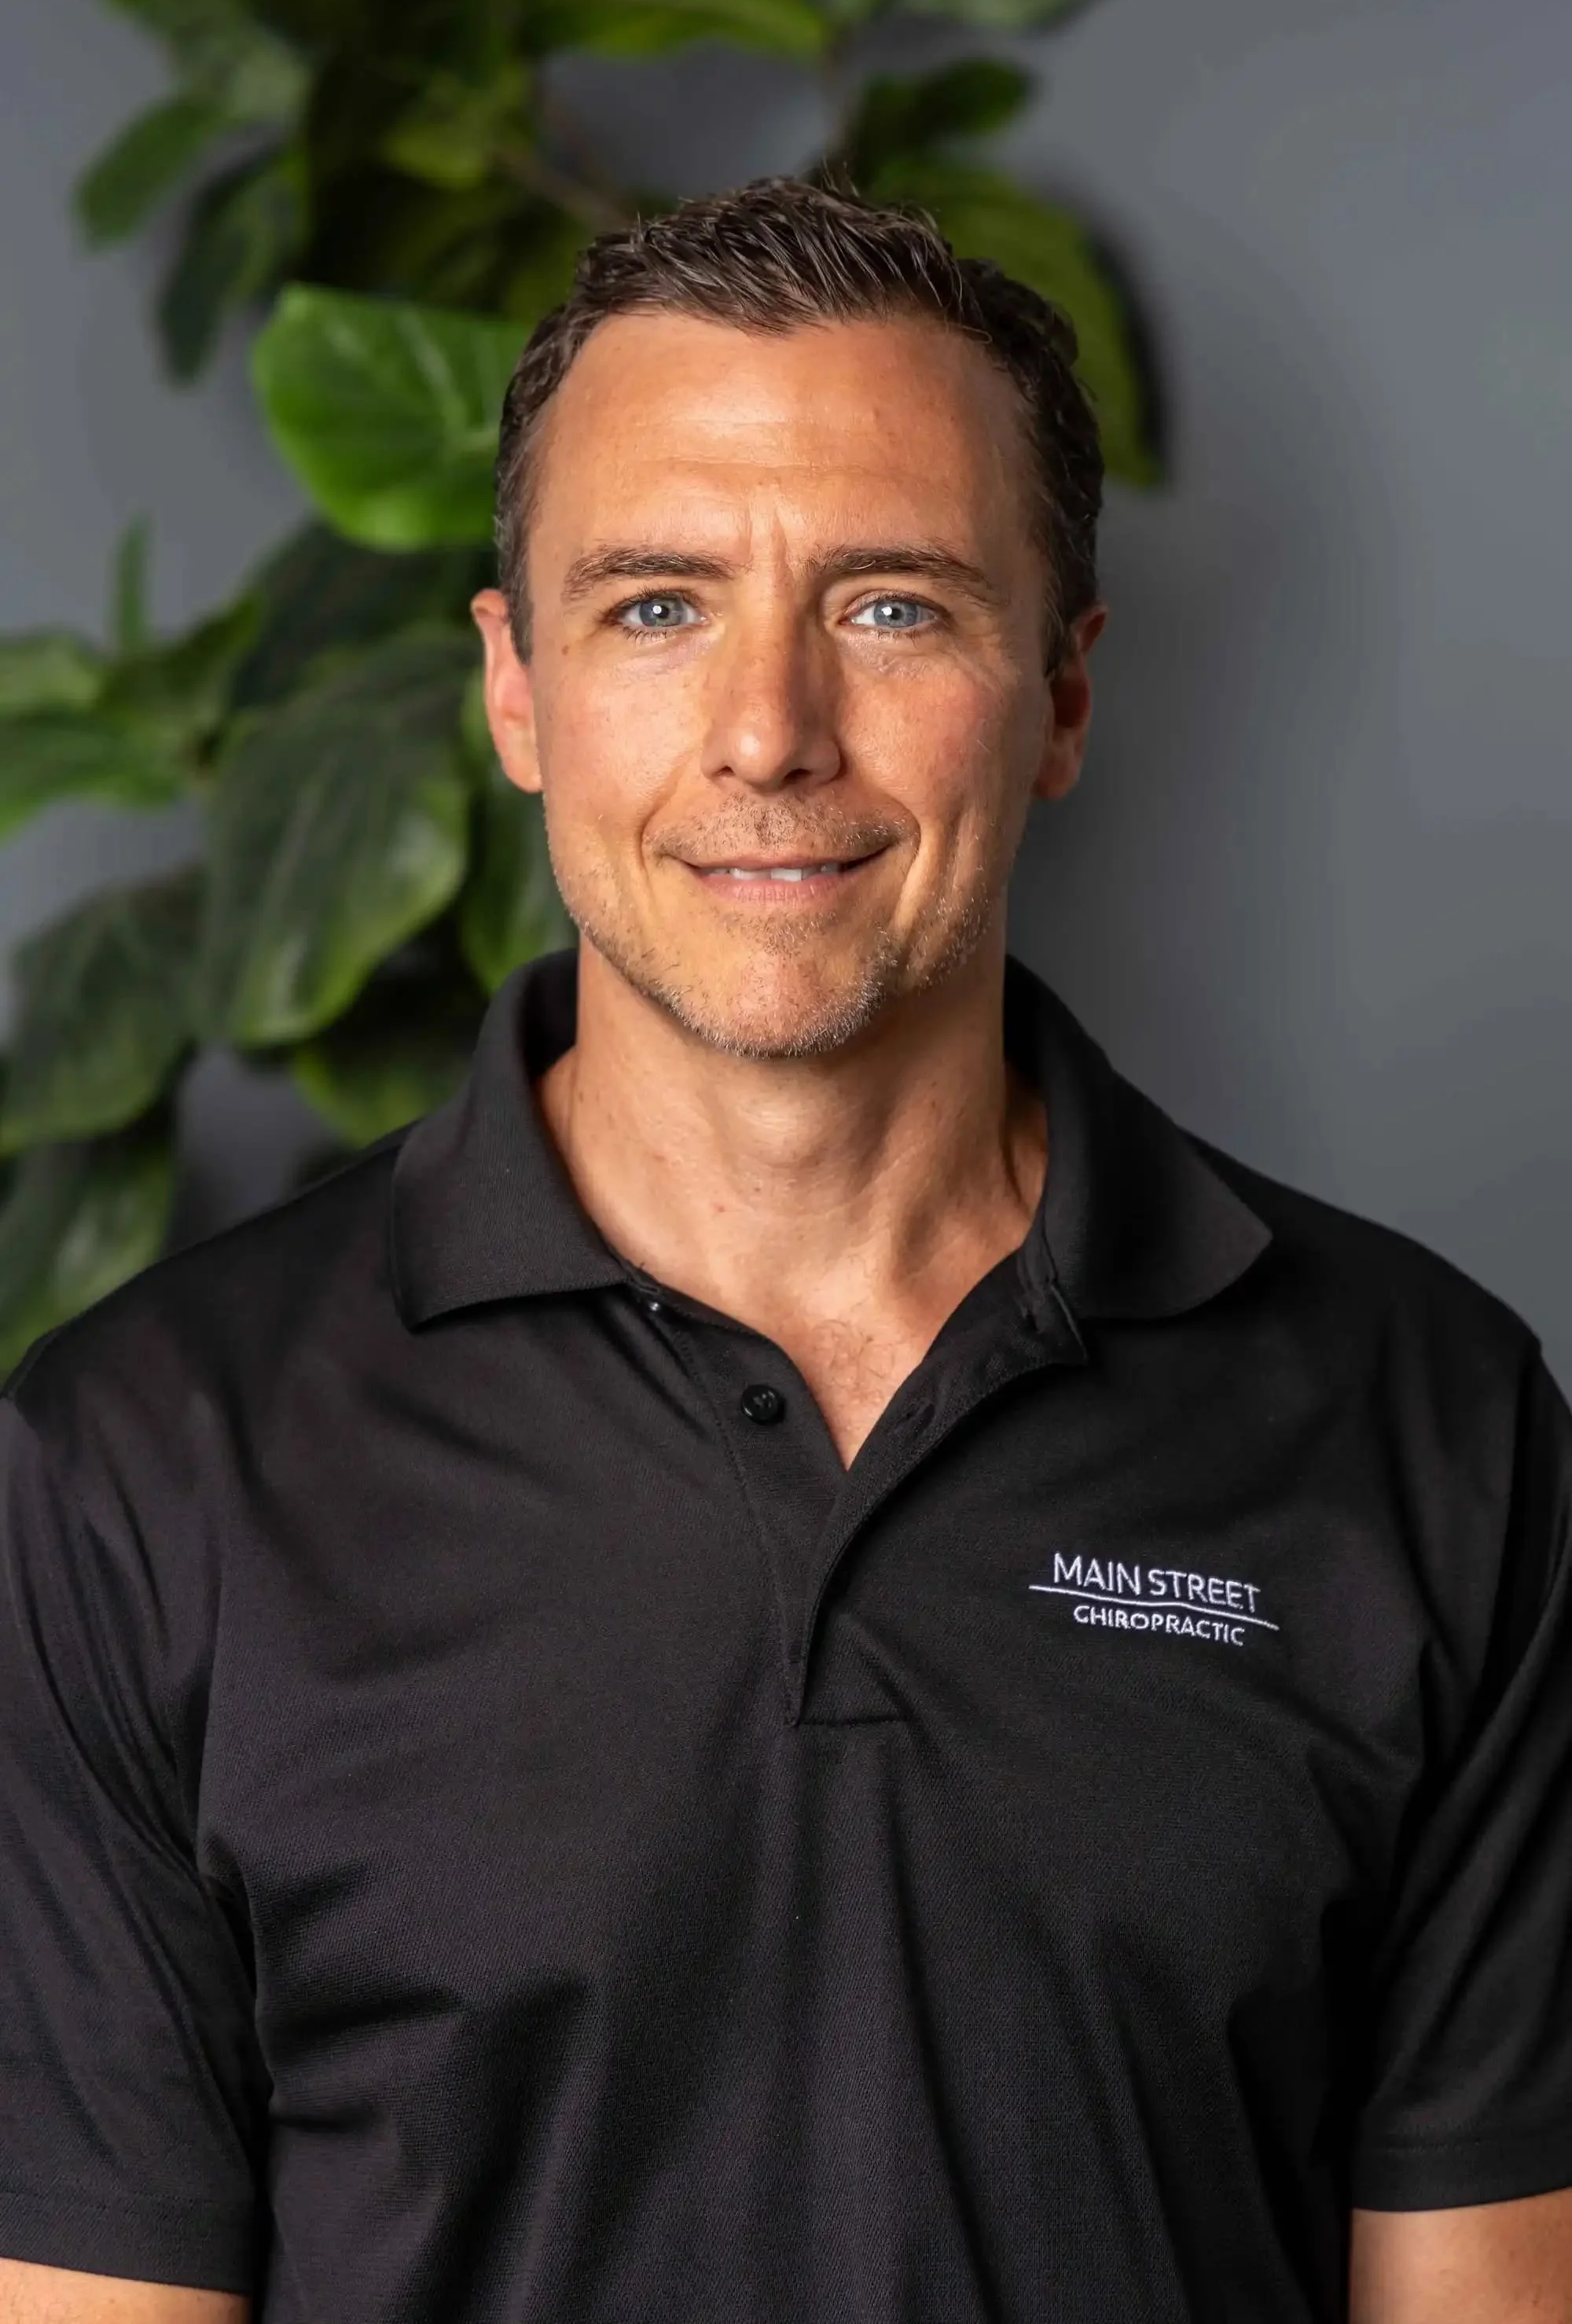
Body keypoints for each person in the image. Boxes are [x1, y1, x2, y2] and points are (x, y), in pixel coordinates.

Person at [1, 178, 1568, 2324]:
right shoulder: (137, 1471)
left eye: (893, 608)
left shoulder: (1429, 1421)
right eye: (654, 607)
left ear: (1065, 690)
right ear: (517, 690)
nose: (766, 730)